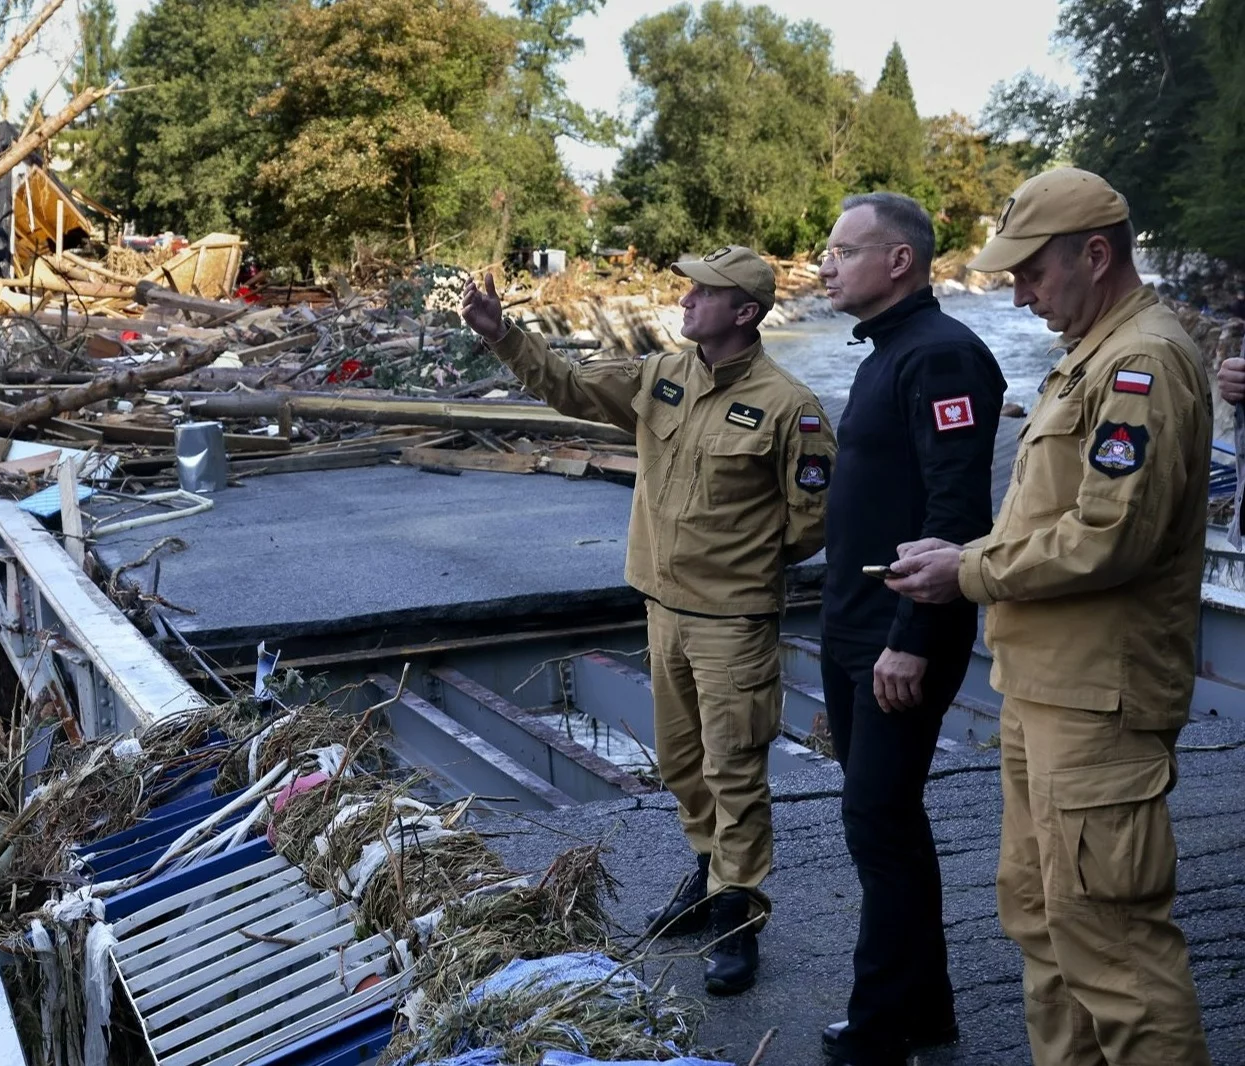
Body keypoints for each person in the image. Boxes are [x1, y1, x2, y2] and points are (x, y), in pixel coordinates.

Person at [887, 167, 1212, 1066]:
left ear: (1095, 255)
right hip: (1044, 689)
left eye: (1030, 273)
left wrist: (968, 569)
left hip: (1097, 703)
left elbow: (1110, 535)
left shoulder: (1141, 361)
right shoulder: (1092, 353)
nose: (1018, 293)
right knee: (1042, 923)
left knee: (1111, 946)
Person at [460, 247, 835, 996]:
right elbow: (568, 388)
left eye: (706, 292)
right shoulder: (661, 374)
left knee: (735, 767)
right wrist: (504, 336)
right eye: (690, 287)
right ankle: (707, 872)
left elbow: (809, 522)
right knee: (681, 762)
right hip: (661, 608)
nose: (688, 298)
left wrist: (735, 566)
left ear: (745, 312)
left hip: (732, 618)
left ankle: (737, 915)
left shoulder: (790, 405)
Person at [814, 193, 1006, 1066]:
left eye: (843, 251)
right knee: (882, 824)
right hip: (855, 627)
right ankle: (923, 1011)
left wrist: (912, 639)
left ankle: (881, 1026)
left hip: (896, 634)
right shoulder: (886, 352)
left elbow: (955, 513)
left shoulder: (943, 357)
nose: (824, 265)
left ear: (898, 263)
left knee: (877, 822)